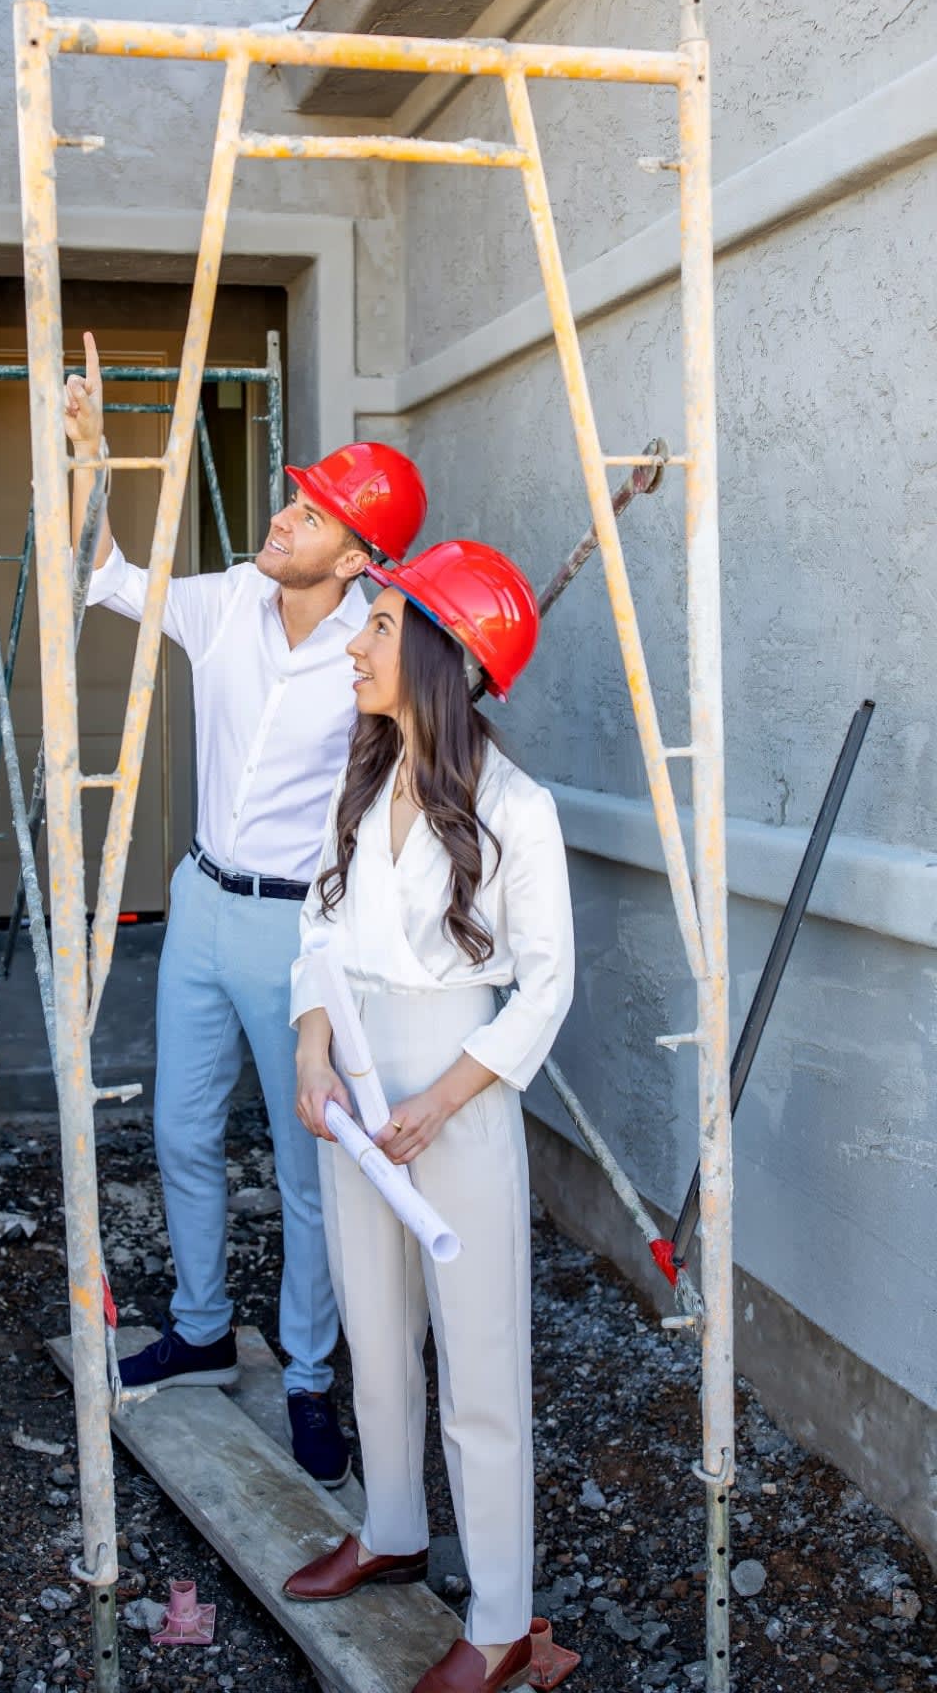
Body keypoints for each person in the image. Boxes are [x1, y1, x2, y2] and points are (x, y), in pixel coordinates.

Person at [62, 332, 428, 1487]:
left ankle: (312, 1380)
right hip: (200, 904)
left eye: (313, 513)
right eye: (293, 497)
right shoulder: (224, 601)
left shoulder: (381, 646)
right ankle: (206, 1323)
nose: (284, 515)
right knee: (179, 1128)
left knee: (306, 1163)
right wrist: (91, 463)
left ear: (359, 555)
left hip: (300, 931)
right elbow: (104, 577)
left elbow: (422, 769)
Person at [282, 538, 575, 1693]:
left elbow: (545, 985)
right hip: (354, 1083)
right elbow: (315, 926)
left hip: (454, 1090)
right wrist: (313, 1052)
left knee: (480, 1357)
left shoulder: (518, 808)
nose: (352, 643)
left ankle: (500, 1620)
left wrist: (441, 1099)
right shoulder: (356, 777)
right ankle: (393, 1525)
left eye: (376, 629)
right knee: (373, 1320)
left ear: (440, 659)